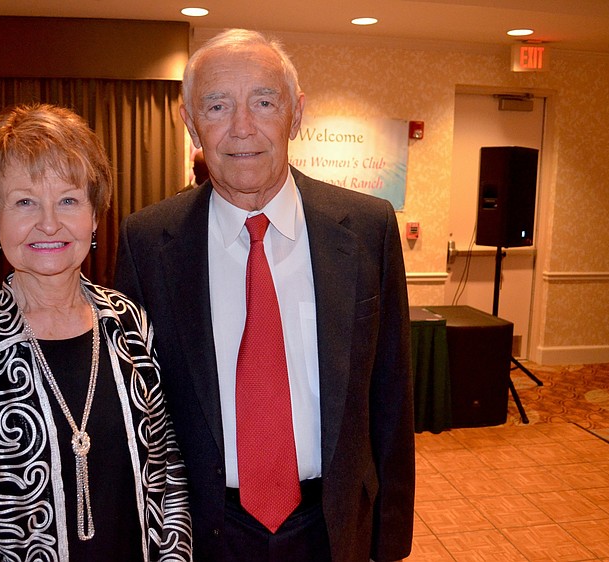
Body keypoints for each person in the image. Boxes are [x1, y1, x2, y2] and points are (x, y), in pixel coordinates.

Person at [114, 29, 414, 562]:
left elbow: (391, 397)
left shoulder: (368, 228)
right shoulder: (147, 242)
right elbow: (136, 410)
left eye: (264, 102)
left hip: (333, 526)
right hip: (203, 532)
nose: (242, 128)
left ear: (296, 115)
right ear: (190, 123)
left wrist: (389, 543)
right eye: (217, 106)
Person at [0, 103, 192, 561]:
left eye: (68, 200)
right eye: (24, 202)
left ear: (95, 216)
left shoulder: (130, 322)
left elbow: (168, 470)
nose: (49, 223)